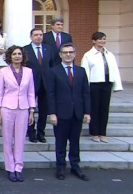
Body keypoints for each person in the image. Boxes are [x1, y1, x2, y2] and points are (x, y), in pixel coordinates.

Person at [48, 43, 91, 181]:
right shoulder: (54, 71)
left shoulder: (81, 71)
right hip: (61, 113)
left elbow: (85, 93)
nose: (68, 54)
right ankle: (60, 167)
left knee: (75, 141)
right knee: (60, 142)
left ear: (74, 54)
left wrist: (87, 112)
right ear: (60, 54)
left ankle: (75, 166)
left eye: (71, 52)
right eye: (65, 52)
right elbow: (51, 94)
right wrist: (52, 113)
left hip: (77, 113)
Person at [0, 46, 35, 183]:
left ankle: (18, 168)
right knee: (7, 140)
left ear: (23, 56)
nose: (17, 56)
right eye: (14, 54)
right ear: (10, 56)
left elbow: (31, 92)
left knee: (20, 140)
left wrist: (31, 111)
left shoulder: (29, 72)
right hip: (7, 107)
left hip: (23, 108)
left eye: (19, 54)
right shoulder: (3, 72)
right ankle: (10, 168)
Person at [81, 32, 123, 143]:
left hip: (107, 83)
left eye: (104, 39)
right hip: (94, 84)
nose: (102, 41)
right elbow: (85, 72)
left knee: (104, 108)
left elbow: (114, 70)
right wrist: (86, 87)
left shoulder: (109, 54)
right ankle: (94, 132)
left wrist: (117, 85)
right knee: (94, 108)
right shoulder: (88, 55)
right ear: (94, 41)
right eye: (99, 39)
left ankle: (102, 133)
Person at [23, 28, 54, 143]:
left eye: (40, 35)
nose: (39, 37)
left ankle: (41, 132)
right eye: (36, 35)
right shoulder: (25, 50)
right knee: (29, 109)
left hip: (46, 84)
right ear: (31, 37)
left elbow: (52, 66)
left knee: (43, 110)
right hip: (30, 83)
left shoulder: (48, 49)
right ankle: (31, 132)